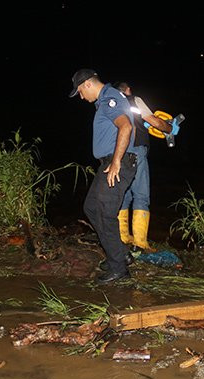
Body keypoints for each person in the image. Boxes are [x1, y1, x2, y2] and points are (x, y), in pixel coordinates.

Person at [70, 68, 139, 284]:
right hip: (110, 162)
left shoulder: (109, 98)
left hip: (118, 162)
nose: (81, 97)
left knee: (106, 213)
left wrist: (117, 161)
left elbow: (125, 126)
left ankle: (118, 269)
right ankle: (119, 253)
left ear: (88, 84)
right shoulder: (106, 100)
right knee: (91, 207)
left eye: (80, 91)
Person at [113, 81, 179, 252]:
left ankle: (123, 237)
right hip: (136, 150)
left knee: (124, 193)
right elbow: (154, 121)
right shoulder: (134, 100)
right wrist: (170, 128)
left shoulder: (110, 103)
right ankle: (140, 242)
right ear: (127, 90)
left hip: (118, 153)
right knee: (141, 194)